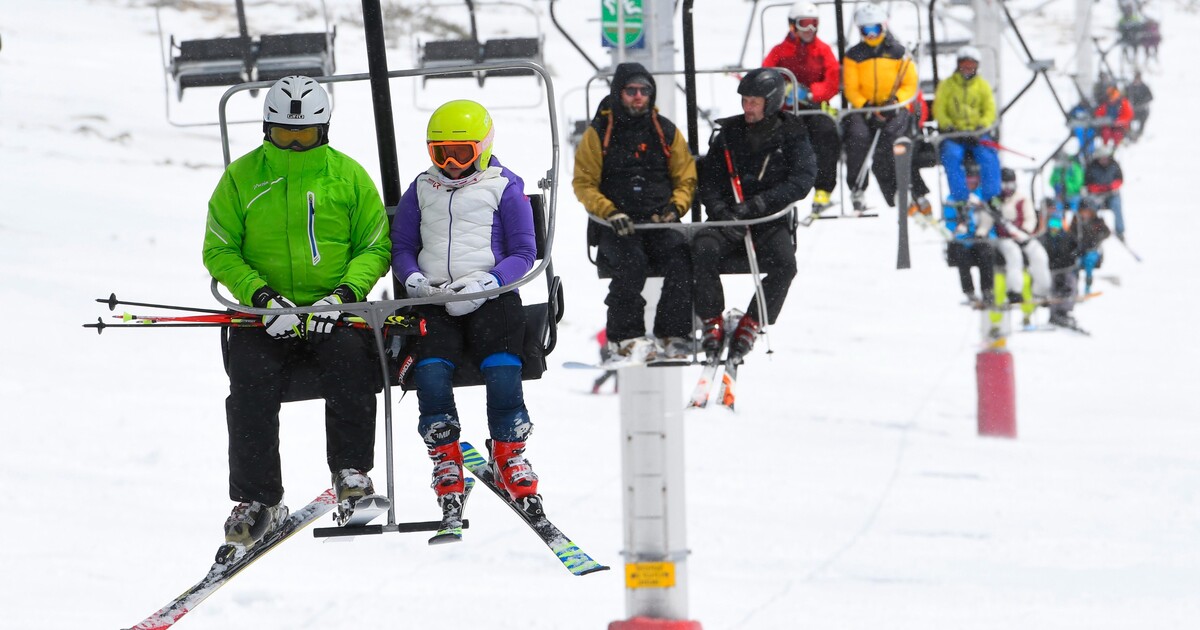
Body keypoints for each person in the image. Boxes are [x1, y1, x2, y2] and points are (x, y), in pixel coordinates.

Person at [202, 76, 391, 551]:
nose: (292, 143)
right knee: (249, 381)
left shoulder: (348, 176)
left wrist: (343, 296)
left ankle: (352, 473)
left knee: (352, 363)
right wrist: (261, 297)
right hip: (264, 316)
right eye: (284, 133)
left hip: (334, 310)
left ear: (322, 130)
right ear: (267, 128)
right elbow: (219, 249)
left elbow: (375, 246)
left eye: (303, 134)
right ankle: (258, 498)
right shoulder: (241, 178)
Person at [391, 99, 544, 524]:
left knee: (502, 366)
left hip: (492, 297)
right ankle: (444, 455)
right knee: (431, 370)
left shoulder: (503, 186)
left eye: (462, 153)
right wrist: (415, 280)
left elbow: (524, 251)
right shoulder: (422, 188)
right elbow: (402, 246)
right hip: (436, 298)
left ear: (483, 147)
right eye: (441, 154)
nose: (452, 164)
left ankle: (509, 451)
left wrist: (488, 282)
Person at [572, 62, 697, 361]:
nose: (638, 97)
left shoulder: (665, 131)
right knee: (631, 263)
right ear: (619, 93)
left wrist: (675, 208)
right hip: (617, 225)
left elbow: (686, 177)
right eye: (631, 91)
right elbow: (584, 183)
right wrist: (609, 212)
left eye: (644, 91)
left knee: (682, 259)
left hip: (657, 221)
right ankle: (624, 337)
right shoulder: (599, 133)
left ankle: (673, 333)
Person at [694, 68, 816, 361]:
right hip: (729, 217)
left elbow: (802, 179)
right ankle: (711, 318)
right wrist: (721, 212)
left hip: (767, 219)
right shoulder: (729, 134)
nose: (747, 108)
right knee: (702, 247)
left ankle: (754, 320)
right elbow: (708, 181)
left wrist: (761, 204)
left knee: (785, 264)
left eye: (754, 102)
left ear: (771, 103)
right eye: (745, 101)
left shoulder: (792, 133)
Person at [763, 1, 841, 215]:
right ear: (793, 25)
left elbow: (832, 80)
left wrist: (812, 93)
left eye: (814, 23)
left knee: (826, 133)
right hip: (787, 110)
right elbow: (766, 75)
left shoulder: (823, 50)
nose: (810, 29)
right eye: (804, 24)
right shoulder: (780, 51)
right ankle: (778, 189)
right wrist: (784, 89)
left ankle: (823, 189)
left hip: (814, 108)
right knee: (782, 140)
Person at [841, 2, 919, 214]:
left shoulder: (898, 52)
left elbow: (910, 84)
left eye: (875, 29)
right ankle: (857, 188)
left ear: (883, 26)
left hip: (895, 106)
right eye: (866, 30)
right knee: (857, 139)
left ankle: (901, 188)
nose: (871, 34)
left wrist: (896, 102)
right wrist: (867, 107)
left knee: (892, 140)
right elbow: (851, 88)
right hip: (864, 109)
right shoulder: (854, 55)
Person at [933, 45, 1003, 215]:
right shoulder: (947, 85)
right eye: (964, 64)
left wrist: (981, 127)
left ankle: (992, 196)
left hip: (976, 135)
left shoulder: (982, 86)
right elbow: (939, 108)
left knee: (989, 156)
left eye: (971, 65)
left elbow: (989, 110)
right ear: (958, 65)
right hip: (955, 135)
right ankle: (960, 198)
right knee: (951, 156)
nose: (967, 68)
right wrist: (948, 126)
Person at [975, 167, 1051, 307]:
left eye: (1011, 184)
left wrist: (1025, 231)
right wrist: (981, 233)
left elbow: (1030, 218)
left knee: (1039, 255)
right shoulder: (995, 201)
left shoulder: (1022, 199)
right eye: (1005, 184)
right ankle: (1014, 291)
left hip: (1023, 236)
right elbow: (986, 221)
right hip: (1005, 239)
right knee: (1014, 255)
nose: (1008, 188)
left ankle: (1042, 291)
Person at [944, 162, 995, 306]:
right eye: (969, 180)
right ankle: (969, 292)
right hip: (963, 239)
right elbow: (949, 221)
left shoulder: (983, 195)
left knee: (986, 255)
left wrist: (984, 233)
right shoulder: (954, 197)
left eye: (974, 180)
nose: (972, 183)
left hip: (981, 237)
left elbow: (990, 217)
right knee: (962, 258)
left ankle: (987, 290)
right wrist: (959, 231)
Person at [1038, 204, 1081, 328]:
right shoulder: (1044, 238)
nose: (1054, 227)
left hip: (1065, 268)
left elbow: (1076, 251)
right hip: (1051, 270)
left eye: (1057, 224)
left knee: (1069, 285)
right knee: (1053, 288)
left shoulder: (1068, 237)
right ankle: (1054, 312)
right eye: (1052, 224)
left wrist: (1071, 260)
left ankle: (1064, 311)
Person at [1084, 140, 1126, 241]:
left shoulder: (1114, 165)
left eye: (1105, 158)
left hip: (1111, 194)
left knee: (1117, 205)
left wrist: (1110, 187)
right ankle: (1091, 230)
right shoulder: (1092, 166)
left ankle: (1120, 231)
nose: (1104, 160)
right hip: (1096, 195)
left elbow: (1120, 180)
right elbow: (1087, 183)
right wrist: (1099, 189)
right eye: (1101, 158)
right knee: (1091, 208)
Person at [1068, 197, 1111, 295]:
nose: (1085, 214)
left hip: (1092, 251)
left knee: (1089, 262)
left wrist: (1097, 238)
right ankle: (1074, 288)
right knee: (1075, 264)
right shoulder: (1076, 222)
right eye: (1083, 211)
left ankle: (1088, 286)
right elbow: (1071, 235)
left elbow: (1107, 232)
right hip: (1079, 251)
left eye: (1088, 211)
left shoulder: (1097, 222)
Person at [1048, 139, 1084, 221]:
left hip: (1073, 194)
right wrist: (1057, 185)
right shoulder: (1058, 168)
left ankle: (1074, 224)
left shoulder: (1075, 167)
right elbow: (1051, 181)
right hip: (1060, 195)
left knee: (1074, 207)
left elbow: (1078, 183)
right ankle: (1057, 226)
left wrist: (1067, 186)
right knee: (1057, 207)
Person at [1126, 72, 1153, 141]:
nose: (1137, 80)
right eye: (1136, 78)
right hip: (1132, 109)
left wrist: (1143, 102)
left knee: (1143, 119)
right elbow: (1125, 96)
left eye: (1138, 78)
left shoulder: (1144, 87)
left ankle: (1139, 133)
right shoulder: (1130, 87)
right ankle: (1129, 134)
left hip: (1142, 110)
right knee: (1127, 119)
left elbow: (1150, 97)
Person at [591, 329, 618, 394]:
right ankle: (597, 384)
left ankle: (617, 388)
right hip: (605, 353)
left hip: (612, 352)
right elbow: (599, 336)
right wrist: (604, 344)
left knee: (617, 371)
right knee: (610, 371)